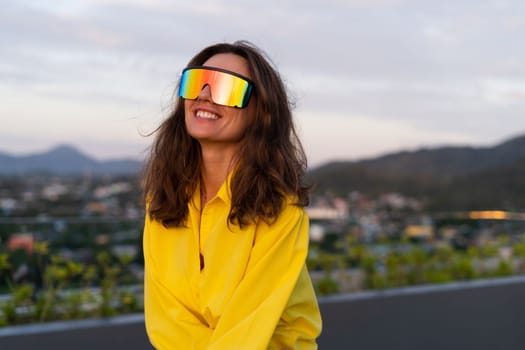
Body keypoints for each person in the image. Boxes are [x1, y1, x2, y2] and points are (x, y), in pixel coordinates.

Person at [142, 40, 322, 349]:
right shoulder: (164, 199)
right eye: (197, 81)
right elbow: (166, 323)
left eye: (226, 87)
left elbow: (247, 331)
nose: (204, 95)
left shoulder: (280, 210)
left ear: (261, 111)